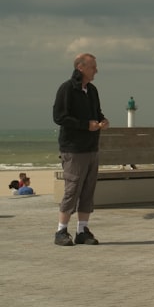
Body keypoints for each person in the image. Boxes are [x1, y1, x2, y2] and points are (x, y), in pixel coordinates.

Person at [52, 53, 109, 246]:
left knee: (87, 190)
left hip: (91, 147)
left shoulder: (92, 90)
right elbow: (59, 117)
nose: (96, 70)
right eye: (93, 67)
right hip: (74, 149)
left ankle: (82, 230)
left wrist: (102, 120)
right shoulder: (67, 89)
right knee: (72, 189)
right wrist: (86, 125)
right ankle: (61, 231)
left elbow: (97, 112)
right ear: (80, 67)